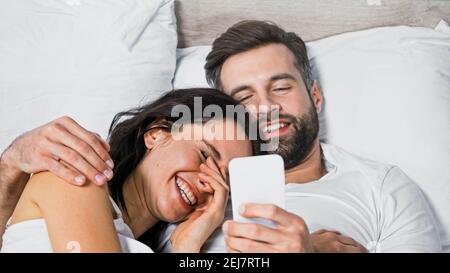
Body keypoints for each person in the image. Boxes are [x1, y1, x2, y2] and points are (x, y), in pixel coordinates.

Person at [155, 20, 441, 253]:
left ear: (315, 96)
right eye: (245, 97)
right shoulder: (191, 190)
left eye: (280, 88)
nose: (266, 107)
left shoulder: (383, 190)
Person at [0, 88, 255, 252]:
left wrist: (186, 249)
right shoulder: (76, 175)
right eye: (204, 153)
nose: (209, 183)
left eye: (224, 180)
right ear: (157, 134)